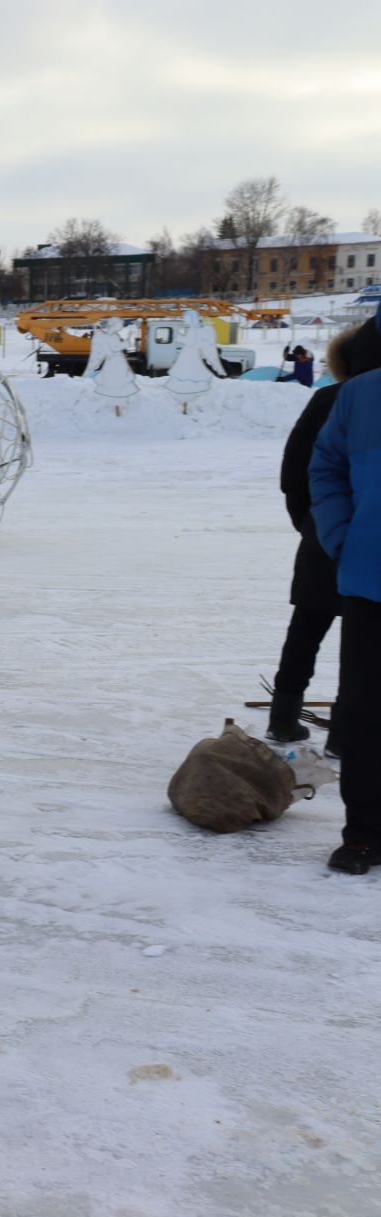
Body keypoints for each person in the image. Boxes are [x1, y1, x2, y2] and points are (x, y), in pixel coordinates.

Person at [269, 319, 380, 748]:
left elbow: (295, 470)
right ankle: (345, 735)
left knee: (307, 626)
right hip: (361, 538)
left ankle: (283, 717)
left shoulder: (328, 399)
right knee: (364, 645)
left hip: (325, 530)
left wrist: (311, 523)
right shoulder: (356, 399)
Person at [309, 312, 381, 875]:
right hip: (371, 581)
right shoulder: (360, 395)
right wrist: (342, 535)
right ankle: (363, 832)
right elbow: (325, 466)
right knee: (361, 714)